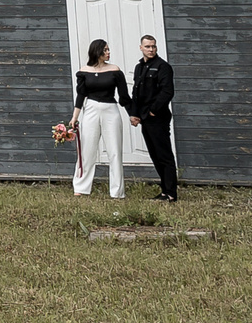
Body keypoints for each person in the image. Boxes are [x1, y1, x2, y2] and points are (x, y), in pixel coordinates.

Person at [54, 38, 134, 198]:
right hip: (90, 109)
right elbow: (81, 95)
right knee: (86, 150)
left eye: (108, 49)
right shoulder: (84, 71)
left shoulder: (115, 70)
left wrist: (132, 114)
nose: (108, 52)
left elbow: (124, 96)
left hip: (110, 110)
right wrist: (74, 117)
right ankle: (81, 188)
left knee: (114, 151)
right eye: (105, 50)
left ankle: (117, 192)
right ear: (97, 52)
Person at [128, 33, 179, 203]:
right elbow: (136, 93)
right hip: (144, 118)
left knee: (164, 155)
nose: (151, 49)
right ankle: (164, 191)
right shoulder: (139, 67)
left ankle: (171, 193)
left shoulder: (163, 67)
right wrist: (134, 114)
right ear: (141, 48)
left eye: (153, 46)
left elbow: (167, 92)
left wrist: (153, 111)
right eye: (147, 46)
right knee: (155, 155)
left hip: (158, 117)